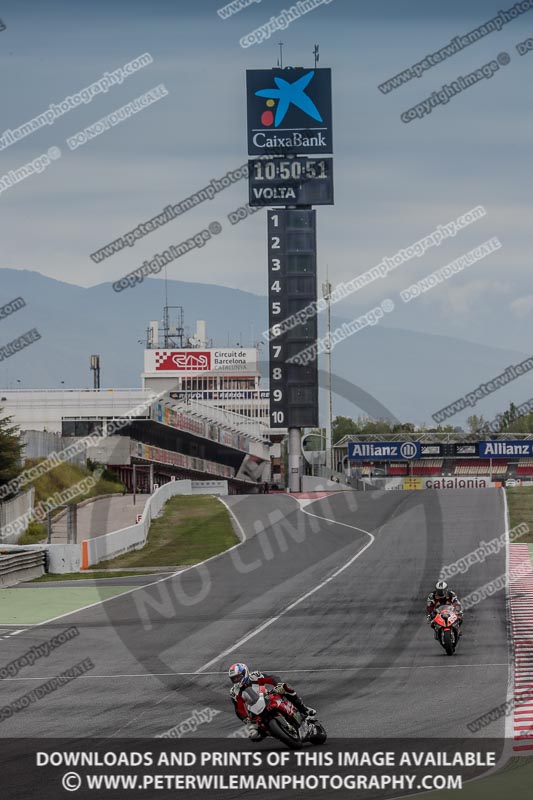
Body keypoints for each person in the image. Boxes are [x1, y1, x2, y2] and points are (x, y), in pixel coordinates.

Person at [228, 662, 316, 741]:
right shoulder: (234, 692)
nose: (236, 680)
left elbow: (272, 678)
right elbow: (239, 709)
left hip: (267, 697)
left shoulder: (254, 676)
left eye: (238, 677)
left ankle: (304, 709)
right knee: (255, 737)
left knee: (285, 687)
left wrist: (278, 685)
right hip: (255, 710)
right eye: (234, 679)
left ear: (244, 673)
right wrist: (245, 718)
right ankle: (275, 731)